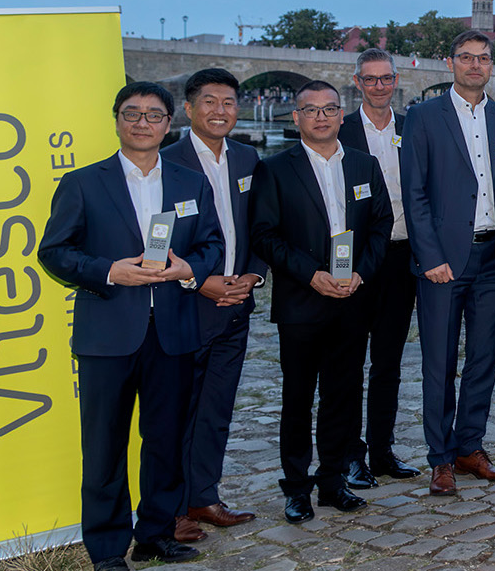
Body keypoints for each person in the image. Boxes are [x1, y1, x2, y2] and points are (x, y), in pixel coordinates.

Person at [40, 81, 223, 571]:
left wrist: (188, 268)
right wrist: (107, 271)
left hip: (172, 331)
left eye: (153, 115)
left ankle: (156, 534)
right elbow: (54, 251)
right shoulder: (83, 183)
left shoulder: (190, 182)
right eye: (132, 114)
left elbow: (211, 244)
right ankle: (105, 548)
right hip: (108, 332)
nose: (143, 123)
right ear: (117, 119)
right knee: (103, 445)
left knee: (164, 439)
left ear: (170, 123)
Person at [249, 81, 392, 522]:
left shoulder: (366, 165)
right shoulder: (274, 168)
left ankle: (332, 482)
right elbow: (264, 235)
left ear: (340, 114)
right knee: (297, 398)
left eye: (330, 109)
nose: (322, 117)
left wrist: (360, 274)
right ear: (296, 117)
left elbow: (381, 225)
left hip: (352, 299)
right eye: (311, 110)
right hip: (301, 302)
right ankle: (296, 487)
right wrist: (313, 275)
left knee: (343, 395)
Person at [401, 30, 495, 497]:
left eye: (484, 58)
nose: (476, 65)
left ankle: (469, 446)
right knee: (439, 360)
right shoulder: (423, 117)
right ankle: (440, 459)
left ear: (492, 65)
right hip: (444, 262)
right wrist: (429, 256)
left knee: (484, 358)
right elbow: (413, 193)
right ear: (450, 62)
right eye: (467, 58)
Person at [162, 68, 266, 539]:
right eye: (209, 102)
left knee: (217, 408)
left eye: (228, 102)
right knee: (176, 411)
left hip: (237, 304)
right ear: (188, 109)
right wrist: (199, 281)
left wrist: (252, 275)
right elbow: (155, 241)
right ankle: (173, 510)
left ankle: (204, 497)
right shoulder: (166, 162)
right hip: (186, 305)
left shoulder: (248, 158)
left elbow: (264, 226)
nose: (219, 111)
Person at [337, 48, 423, 487]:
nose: (379, 86)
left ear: (395, 81)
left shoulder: (412, 126)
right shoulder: (340, 129)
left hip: (402, 255)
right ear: (358, 83)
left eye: (386, 79)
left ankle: (383, 448)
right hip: (356, 257)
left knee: (389, 360)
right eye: (370, 80)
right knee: (350, 360)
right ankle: (351, 454)